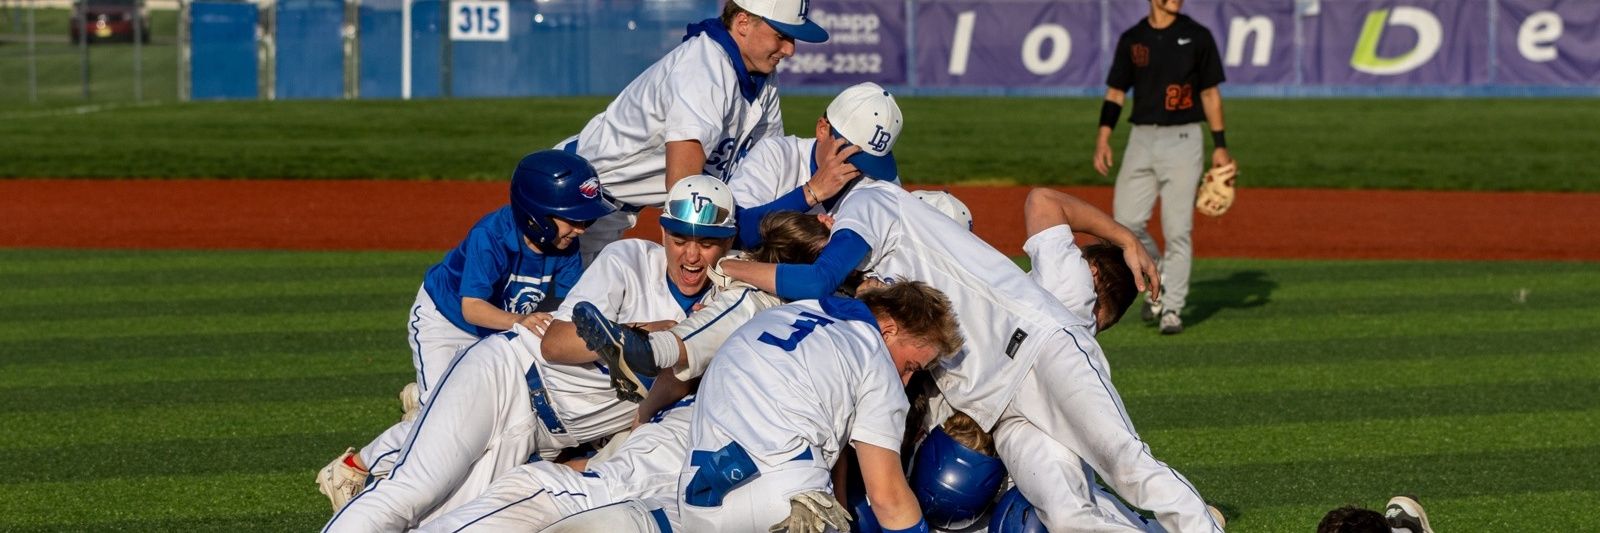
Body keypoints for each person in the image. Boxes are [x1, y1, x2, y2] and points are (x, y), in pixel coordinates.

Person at [717, 175, 1224, 532]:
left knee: (1127, 465)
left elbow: (819, 278)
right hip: (996, 411)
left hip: (1039, 353)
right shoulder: (868, 267)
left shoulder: (868, 205)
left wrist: (733, 268)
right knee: (1068, 517)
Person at [317, 176, 737, 532]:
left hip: (542, 437)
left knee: (439, 521)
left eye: (708, 244)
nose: (692, 256)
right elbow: (557, 344)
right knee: (413, 491)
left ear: (728, 244)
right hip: (507, 378)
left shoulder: (728, 307)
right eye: (680, 240)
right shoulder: (627, 261)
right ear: (663, 233)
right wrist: (656, 337)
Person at [410, 212, 834, 533]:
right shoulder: (756, 303)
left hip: (674, 425)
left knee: (583, 487)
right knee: (582, 492)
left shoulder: (741, 284)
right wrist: (648, 364)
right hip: (677, 427)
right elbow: (683, 355)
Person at [315, 149, 615, 511]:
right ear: (535, 215)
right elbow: (471, 307)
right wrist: (521, 322)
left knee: (487, 414)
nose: (582, 228)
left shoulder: (566, 249)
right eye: (572, 220)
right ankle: (351, 468)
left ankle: (427, 394)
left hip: (497, 331)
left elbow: (566, 309)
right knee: (440, 425)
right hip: (445, 322)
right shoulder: (491, 235)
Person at [557, 0, 829, 264]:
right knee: (546, 301)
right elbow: (683, 187)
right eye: (781, 35)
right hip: (570, 198)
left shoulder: (760, 76)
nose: (790, 49)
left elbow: (771, 163)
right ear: (743, 22)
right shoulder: (704, 70)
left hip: (611, 206)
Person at [678, 281, 964, 532]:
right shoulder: (874, 354)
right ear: (888, 330)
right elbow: (888, 497)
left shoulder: (779, 314)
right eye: (911, 366)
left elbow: (824, 432)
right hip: (787, 497)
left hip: (699, 494)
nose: (904, 380)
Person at [1094, 0, 1234, 335]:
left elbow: (1210, 94)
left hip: (1184, 139)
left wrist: (1221, 146)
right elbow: (1116, 92)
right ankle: (1159, 271)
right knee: (1125, 223)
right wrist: (1103, 138)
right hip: (1141, 138)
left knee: (1178, 230)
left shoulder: (1196, 36)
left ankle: (1172, 309)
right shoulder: (1133, 38)